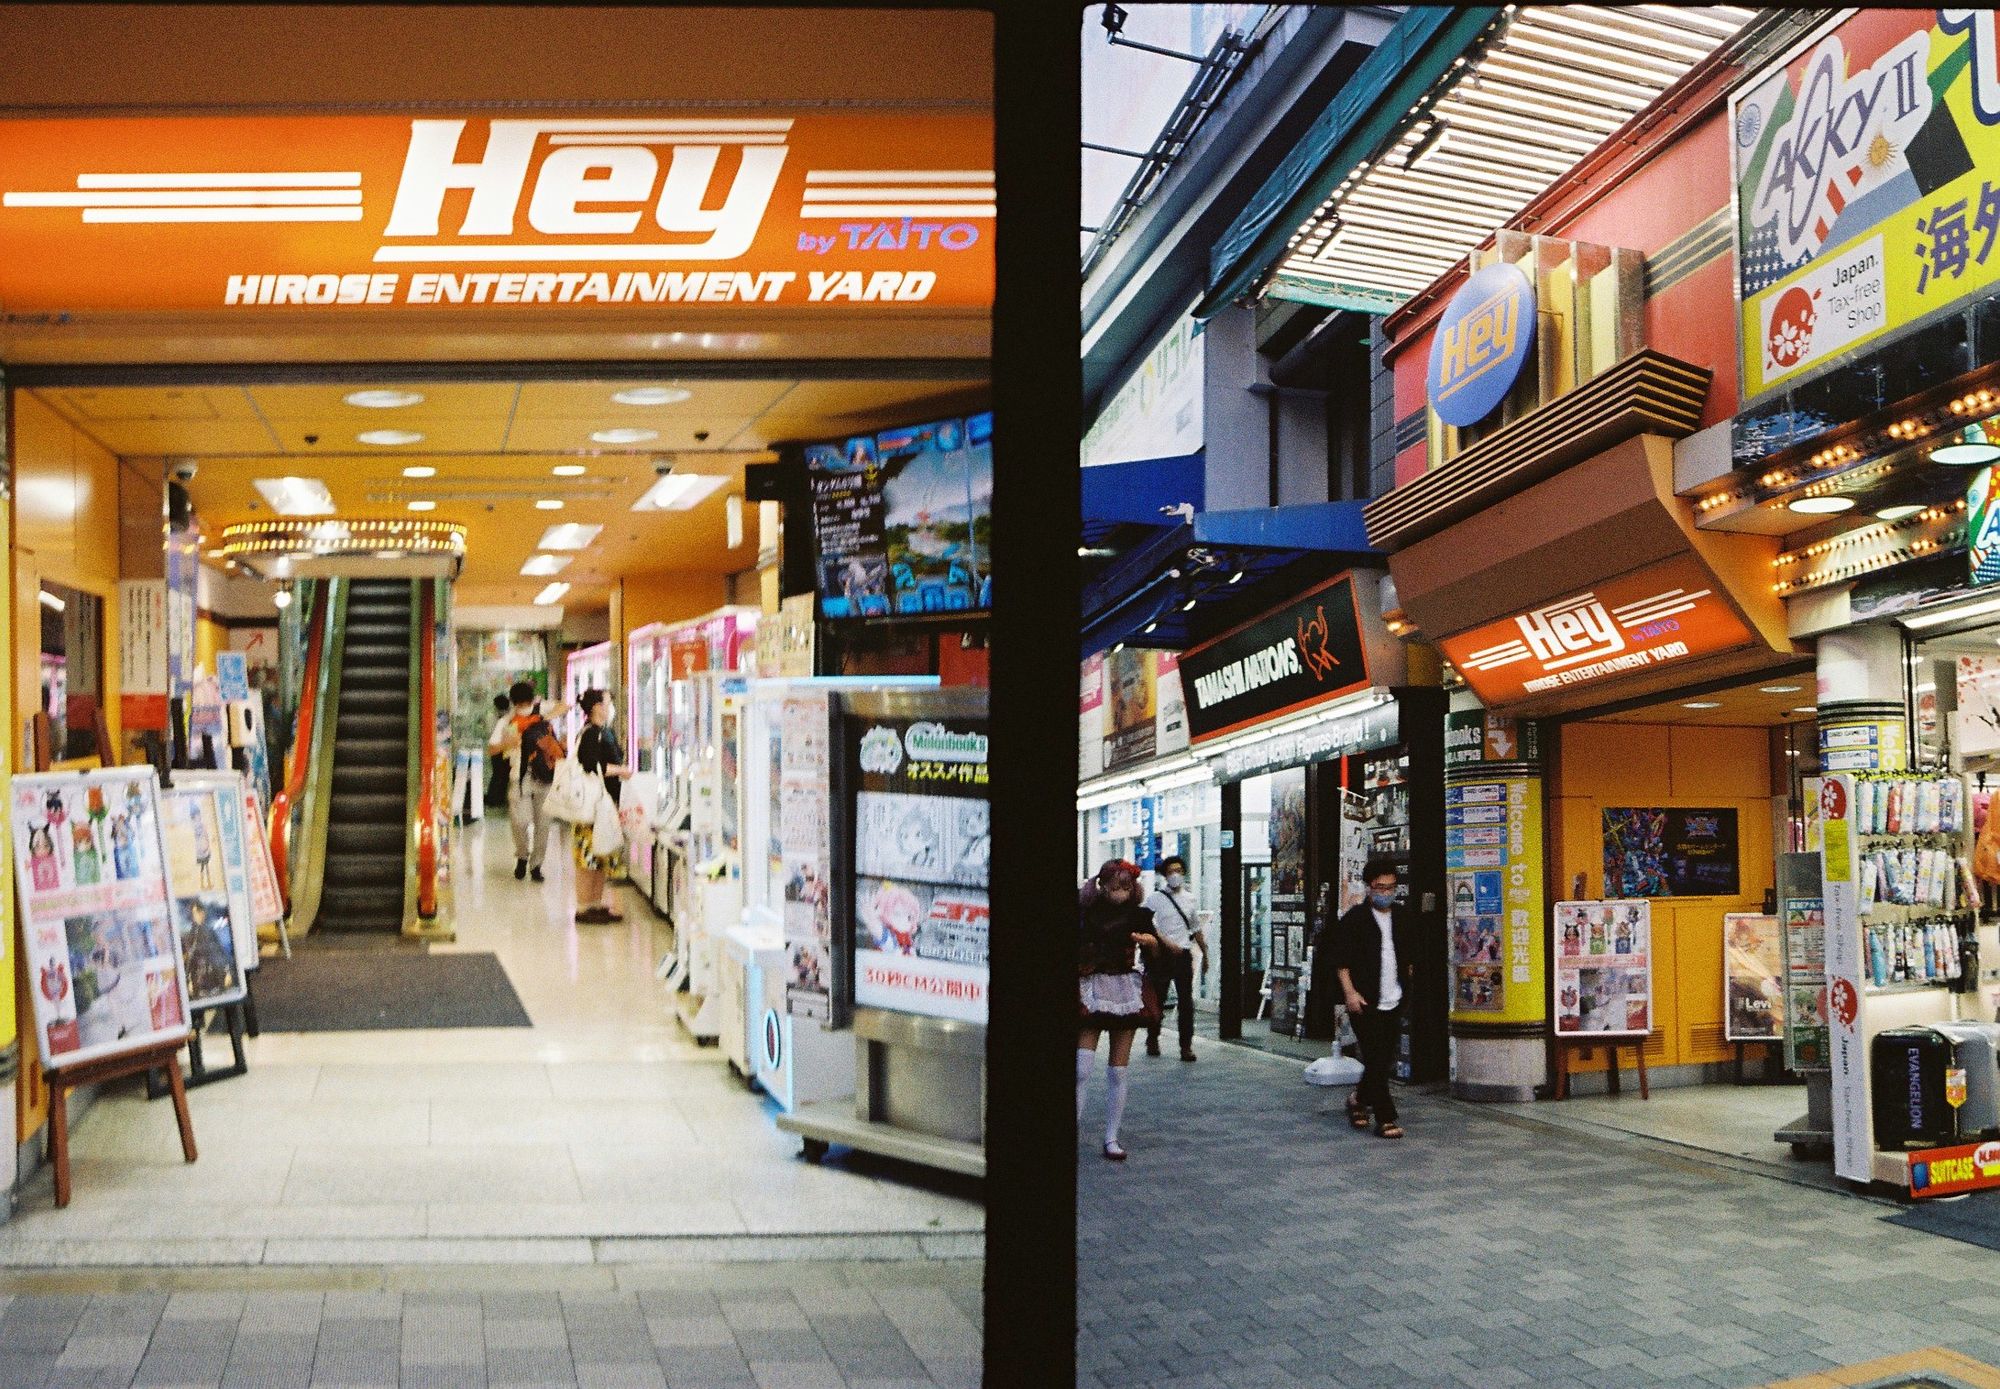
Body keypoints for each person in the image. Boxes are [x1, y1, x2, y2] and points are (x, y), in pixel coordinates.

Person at [1078, 859, 1161, 1161]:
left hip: (1125, 989)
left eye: (1127, 884)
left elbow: (1157, 952)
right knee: (1081, 1068)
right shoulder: (1085, 912)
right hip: (1093, 987)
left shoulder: (1139, 916)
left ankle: (1112, 1137)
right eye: (1115, 883)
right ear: (1102, 884)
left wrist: (1150, 943)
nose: (1121, 888)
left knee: (1118, 1071)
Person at [1331, 858, 1417, 1140]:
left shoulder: (1403, 917)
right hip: (1364, 1000)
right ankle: (1385, 1117)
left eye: (1391, 887)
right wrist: (1350, 993)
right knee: (1376, 1057)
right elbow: (1341, 962)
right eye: (1381, 887)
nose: (1386, 892)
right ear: (1369, 887)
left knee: (1382, 1058)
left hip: (1394, 997)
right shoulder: (1355, 919)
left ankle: (1357, 1099)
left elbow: (1409, 956)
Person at [573, 688, 633, 924]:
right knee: (588, 857)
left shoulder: (602, 731)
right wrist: (620, 770)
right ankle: (583, 906)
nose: (611, 707)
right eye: (608, 702)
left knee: (598, 856)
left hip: (603, 804)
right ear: (597, 707)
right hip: (592, 806)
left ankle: (594, 903)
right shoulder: (591, 734)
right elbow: (591, 765)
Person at [495, 681, 560, 882]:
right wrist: (509, 742)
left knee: (543, 824)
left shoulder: (541, 710)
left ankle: (536, 865)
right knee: (519, 821)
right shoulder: (508, 722)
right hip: (519, 777)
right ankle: (522, 855)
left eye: (526, 703)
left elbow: (565, 705)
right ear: (514, 703)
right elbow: (493, 748)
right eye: (520, 704)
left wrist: (541, 719)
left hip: (545, 775)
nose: (523, 707)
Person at [1142, 855, 1205, 1061]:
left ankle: (1186, 1046)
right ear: (1164, 875)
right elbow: (1147, 925)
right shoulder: (1154, 899)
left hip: (1183, 954)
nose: (1175, 874)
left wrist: (1205, 952)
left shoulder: (1190, 899)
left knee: (1186, 1002)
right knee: (1158, 999)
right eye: (1170, 871)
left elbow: (1195, 927)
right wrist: (1161, 943)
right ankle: (1153, 1038)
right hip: (1160, 955)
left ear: (1184, 872)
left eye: (1178, 870)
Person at [485, 691, 513, 808]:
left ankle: (495, 799)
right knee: (504, 775)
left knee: (497, 775)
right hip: (507, 749)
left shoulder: (492, 717)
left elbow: (489, 732)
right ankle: (499, 799)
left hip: (496, 749)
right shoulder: (509, 717)